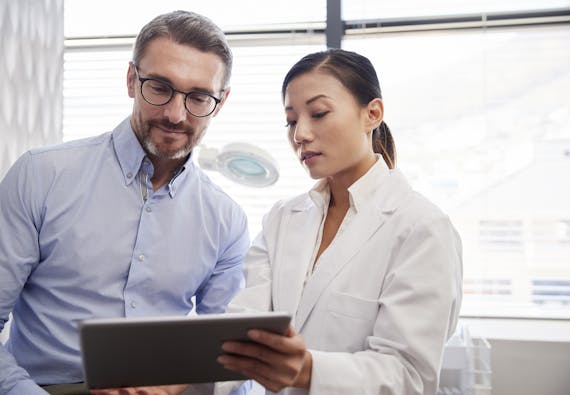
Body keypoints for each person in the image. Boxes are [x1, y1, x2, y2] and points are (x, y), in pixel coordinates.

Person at [0, 10, 250, 395]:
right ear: (132, 80)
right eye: (160, 87)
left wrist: (176, 387)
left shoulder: (226, 220)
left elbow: (235, 362)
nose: (175, 114)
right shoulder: (41, 175)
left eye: (198, 97)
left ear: (220, 101)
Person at [214, 48, 463, 395]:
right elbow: (240, 329)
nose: (299, 134)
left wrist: (307, 370)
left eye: (318, 113)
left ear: (372, 114)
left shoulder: (422, 228)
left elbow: (409, 376)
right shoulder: (282, 219)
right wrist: (165, 385)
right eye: (290, 120)